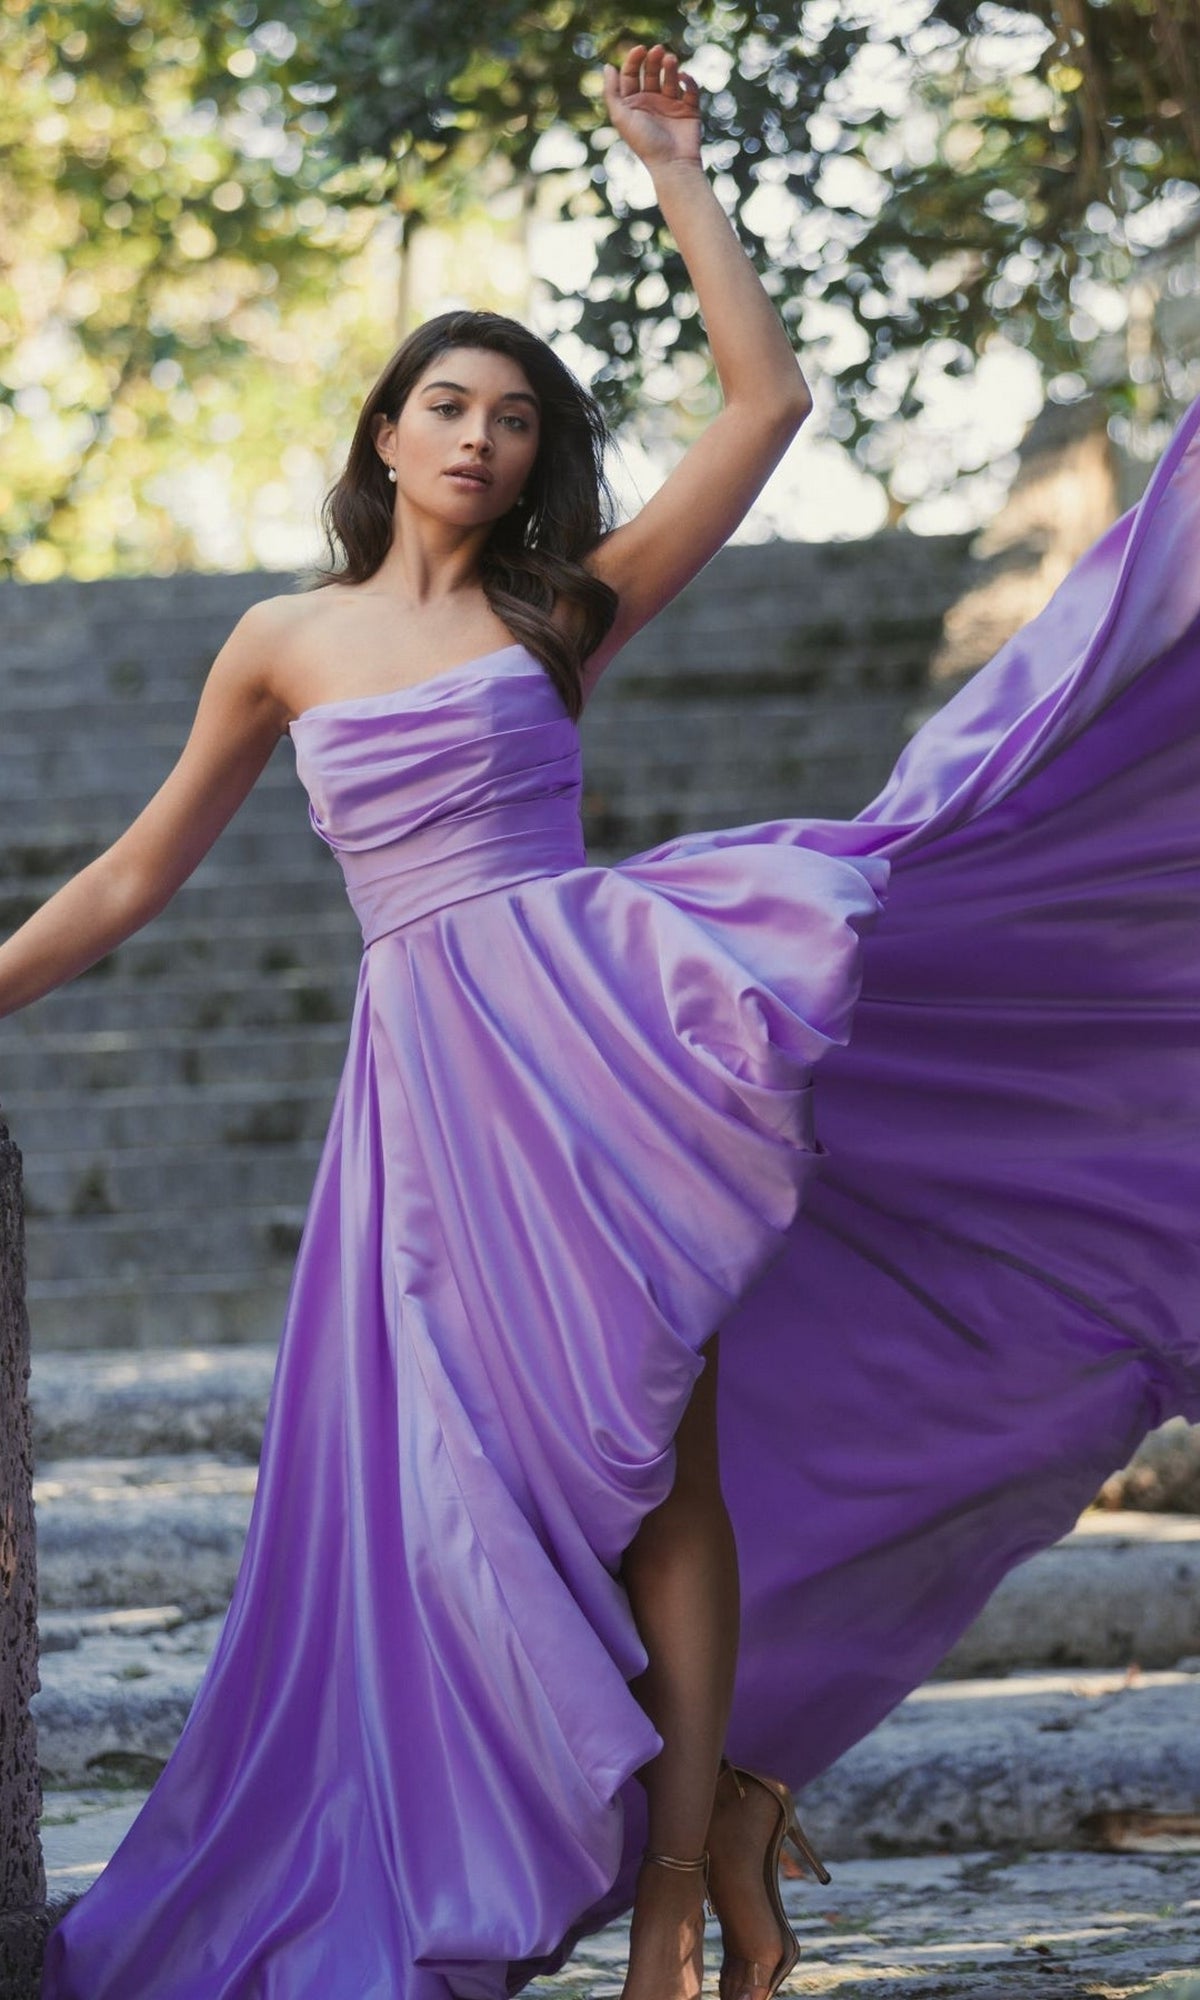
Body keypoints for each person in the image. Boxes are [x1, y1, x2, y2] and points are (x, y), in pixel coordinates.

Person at [7, 35, 1200, 2000]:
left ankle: (673, 1880)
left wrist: (676, 169)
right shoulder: (279, 644)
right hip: (426, 1096)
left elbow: (772, 398)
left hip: (599, 1062)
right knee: (463, 1495)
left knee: (669, 1474)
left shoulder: (558, 614)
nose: (478, 437)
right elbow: (139, 876)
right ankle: (665, 1821)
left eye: (512, 416)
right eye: (444, 405)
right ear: (385, 435)